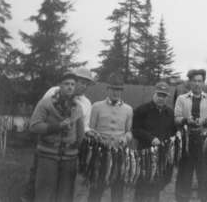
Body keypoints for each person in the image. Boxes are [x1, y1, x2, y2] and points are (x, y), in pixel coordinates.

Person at [22, 67, 95, 202]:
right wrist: (57, 127)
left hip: (69, 156)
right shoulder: (50, 97)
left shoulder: (83, 105)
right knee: (43, 189)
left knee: (65, 194)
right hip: (48, 152)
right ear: (61, 85)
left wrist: (82, 147)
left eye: (86, 83)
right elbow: (36, 124)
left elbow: (82, 130)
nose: (82, 86)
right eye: (79, 82)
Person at [87, 73, 133, 202]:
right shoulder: (96, 106)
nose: (116, 92)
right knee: (96, 190)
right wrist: (96, 138)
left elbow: (129, 132)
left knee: (118, 191)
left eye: (119, 89)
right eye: (113, 89)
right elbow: (90, 129)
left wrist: (125, 138)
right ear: (108, 89)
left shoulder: (128, 109)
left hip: (119, 154)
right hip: (100, 154)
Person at [174, 69, 207, 202]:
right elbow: (176, 118)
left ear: (203, 83)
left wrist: (205, 121)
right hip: (187, 141)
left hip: (204, 142)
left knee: (205, 176)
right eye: (194, 81)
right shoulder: (181, 99)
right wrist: (187, 120)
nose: (197, 84)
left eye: (200, 81)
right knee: (184, 176)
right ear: (189, 82)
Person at [133, 81, 176, 202]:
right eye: (159, 95)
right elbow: (135, 130)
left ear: (167, 97)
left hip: (162, 155)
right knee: (142, 186)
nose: (161, 98)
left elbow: (172, 132)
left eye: (164, 96)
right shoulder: (142, 110)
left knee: (157, 186)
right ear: (154, 93)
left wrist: (175, 136)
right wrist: (151, 138)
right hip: (144, 154)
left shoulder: (170, 113)